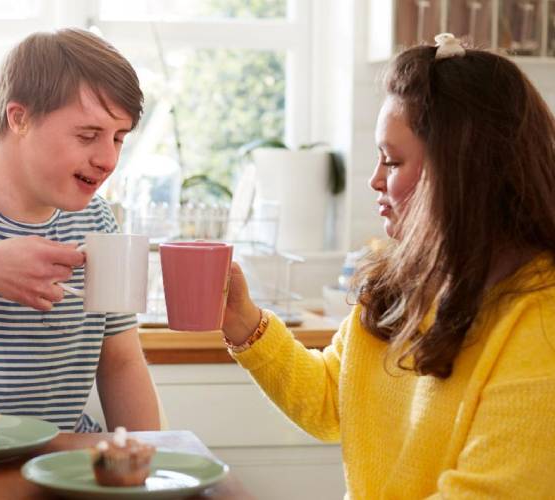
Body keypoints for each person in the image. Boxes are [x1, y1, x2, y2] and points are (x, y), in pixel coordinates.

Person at [223, 33, 555, 498]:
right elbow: (331, 402)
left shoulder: (539, 321)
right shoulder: (401, 282)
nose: (375, 180)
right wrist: (243, 322)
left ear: (462, 172)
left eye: (393, 161)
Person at [0, 28, 160, 432]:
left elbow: (120, 363)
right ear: (20, 118)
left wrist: (151, 468)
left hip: (61, 464)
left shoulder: (98, 221)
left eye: (119, 138)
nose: (107, 159)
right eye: (88, 135)